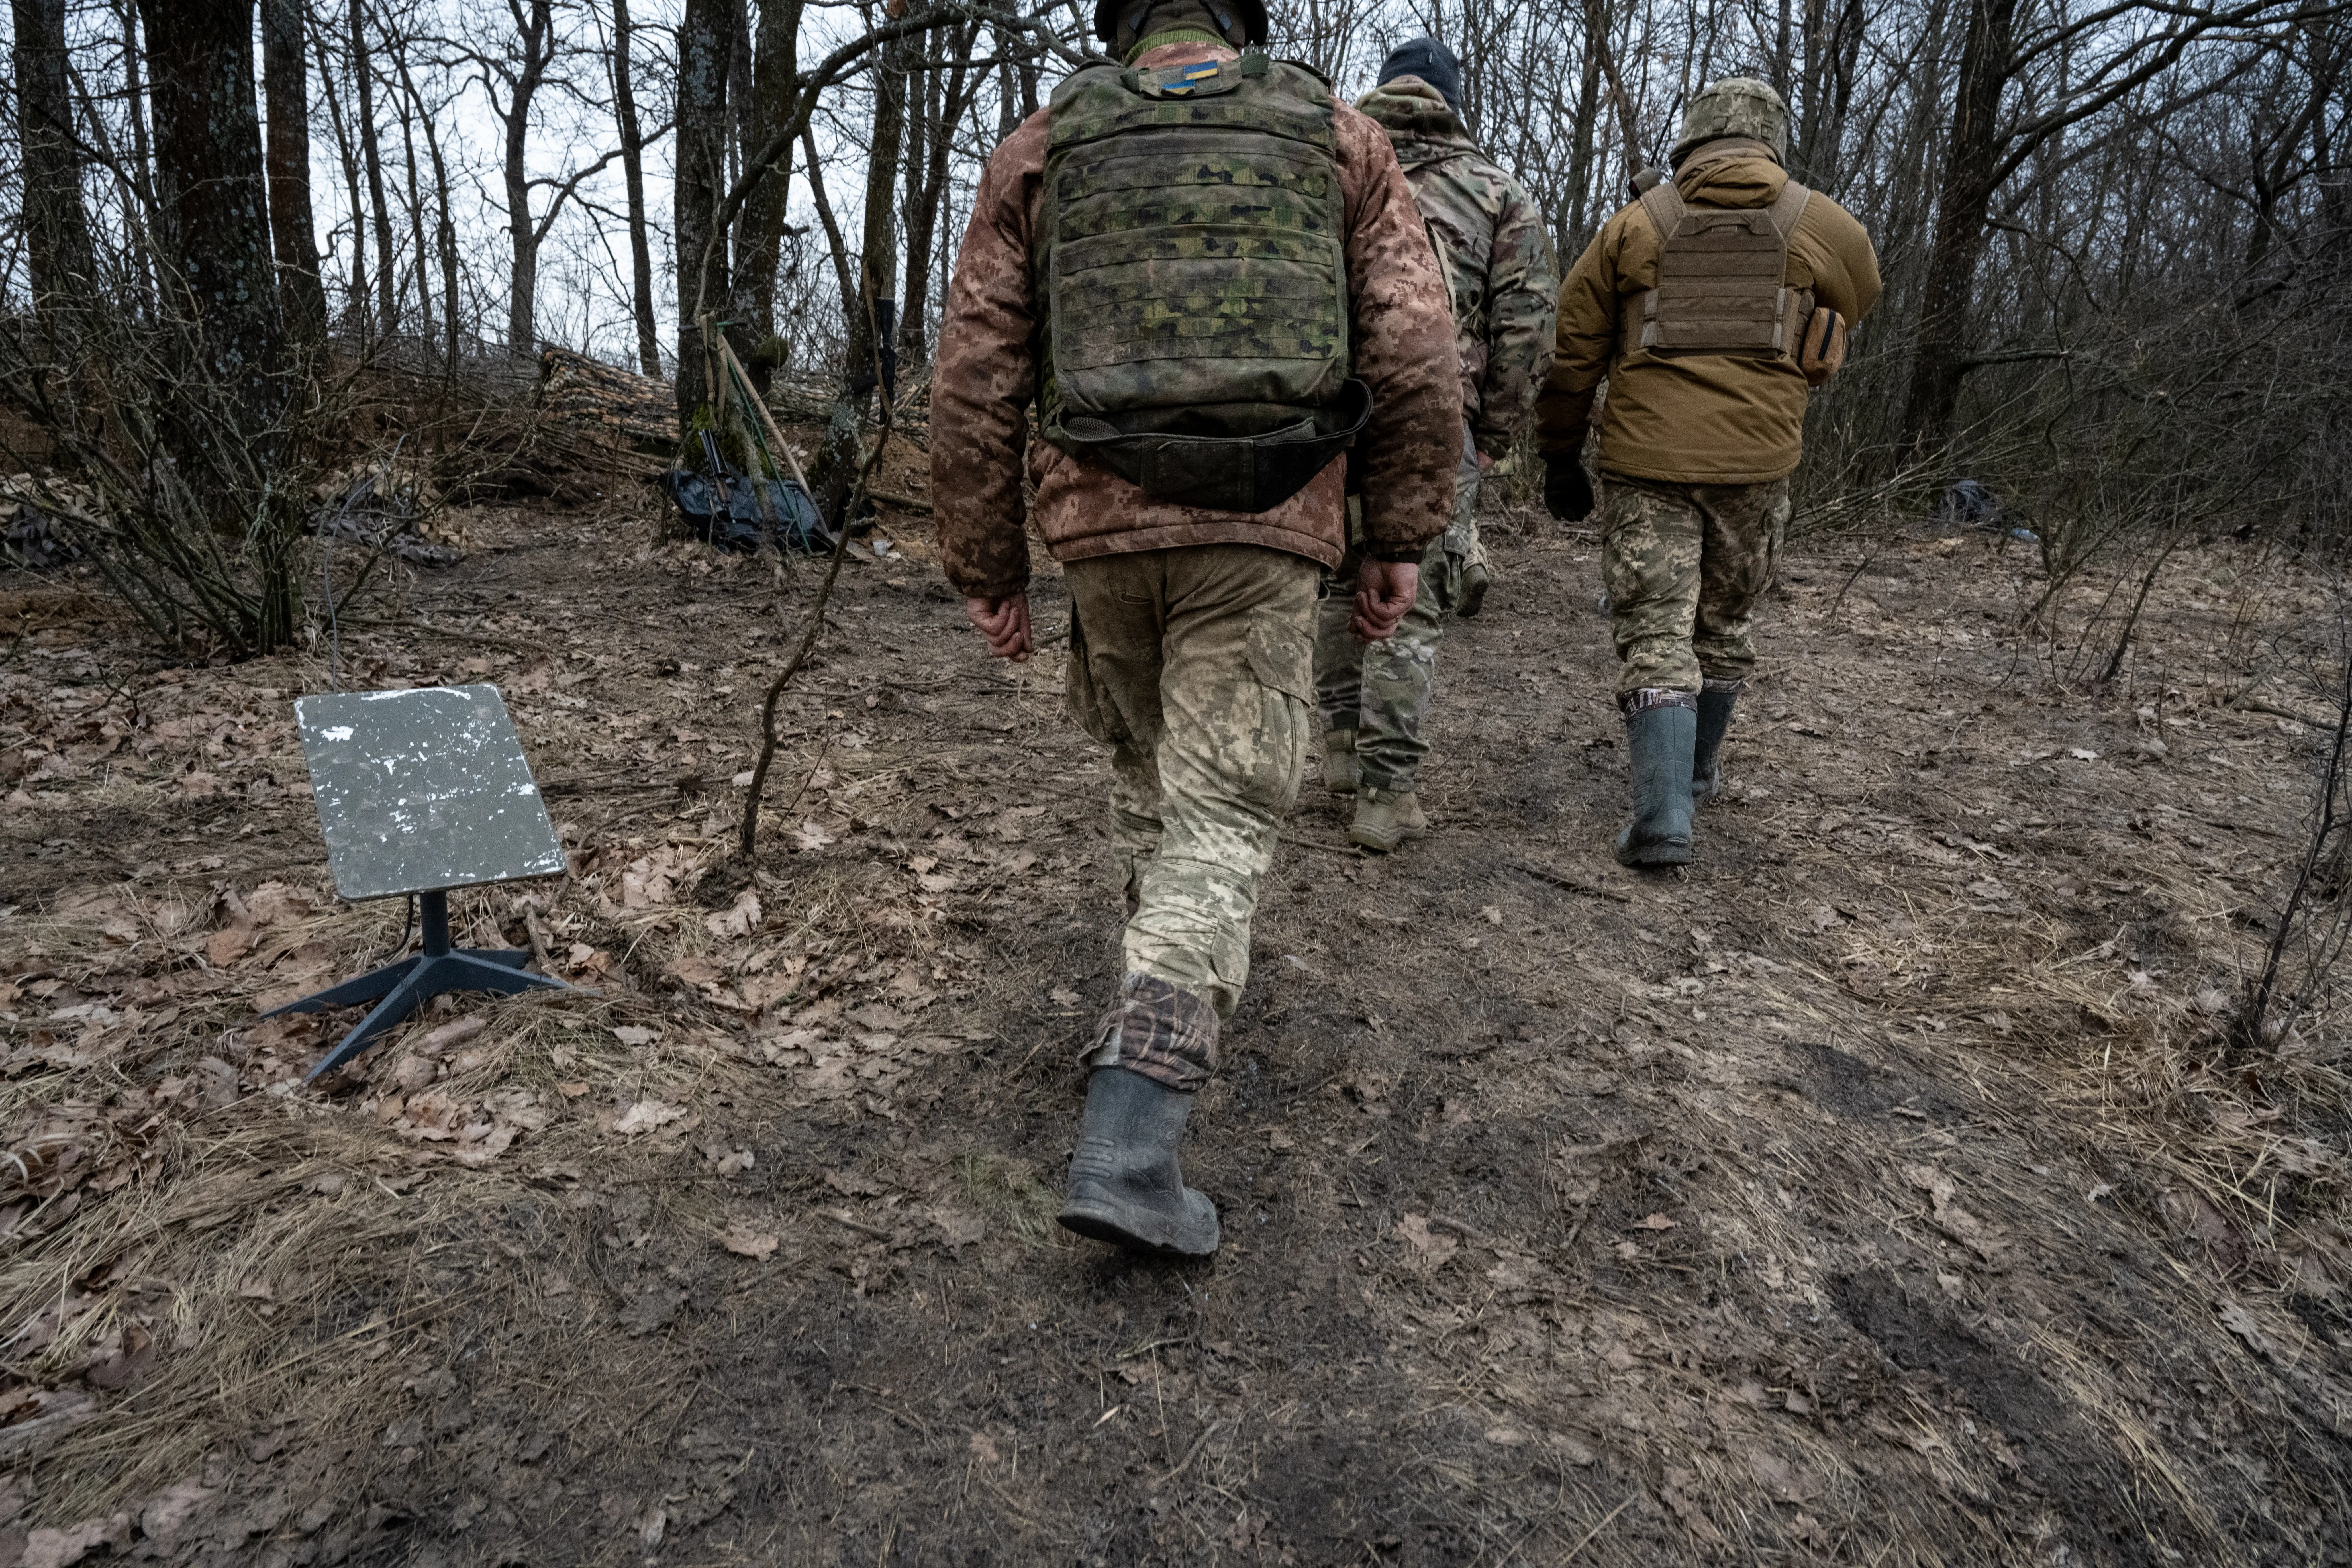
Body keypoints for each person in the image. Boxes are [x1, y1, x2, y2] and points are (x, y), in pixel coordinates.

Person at [930, 0, 1461, 1257]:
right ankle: (1134, 1131)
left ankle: (1142, 1016)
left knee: (1150, 783)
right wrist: (1399, 533)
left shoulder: (1049, 140)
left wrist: (986, 560)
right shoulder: (1335, 135)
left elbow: (974, 366)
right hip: (1265, 515)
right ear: (1240, 14)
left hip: (1101, 521)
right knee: (1221, 809)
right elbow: (1418, 347)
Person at [1534, 78, 1880, 866]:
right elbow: (1861, 297)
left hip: (1645, 464)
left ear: (1689, 142)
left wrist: (1559, 455)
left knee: (1656, 632)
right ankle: (1694, 781)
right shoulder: (1819, 224)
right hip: (1758, 465)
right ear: (1773, 144)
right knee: (1723, 629)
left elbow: (1573, 356)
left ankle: (1662, 819)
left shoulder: (1635, 226)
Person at [1310, 37, 1557, 853]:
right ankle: (1384, 795)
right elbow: (1527, 327)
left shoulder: (1328, 166)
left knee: (1342, 589)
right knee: (1407, 604)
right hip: (1433, 423)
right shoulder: (1496, 193)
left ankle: (1340, 759)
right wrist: (1490, 437)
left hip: (1330, 418)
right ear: (1452, 104)